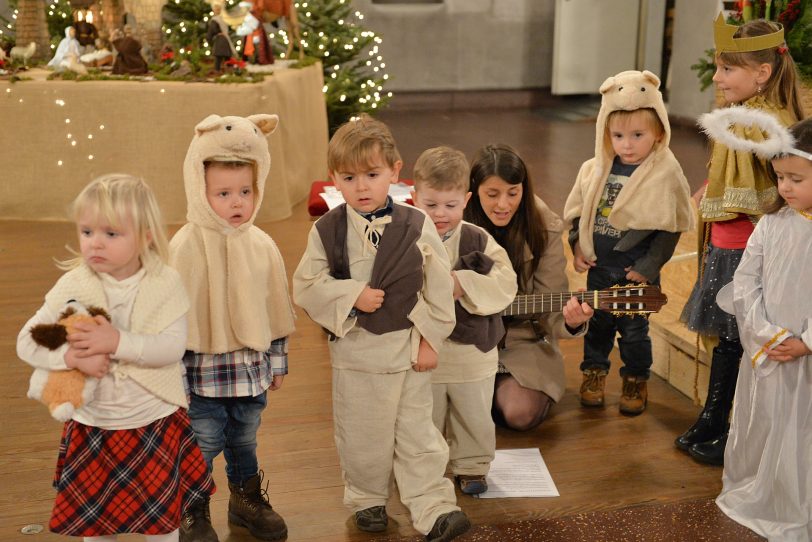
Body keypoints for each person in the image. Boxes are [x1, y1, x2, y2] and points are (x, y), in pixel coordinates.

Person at [293, 116, 471, 542]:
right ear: (334, 177)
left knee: (418, 432)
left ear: (395, 170)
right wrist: (351, 293)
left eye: (372, 175)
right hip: (358, 356)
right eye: (349, 177)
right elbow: (306, 285)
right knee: (362, 435)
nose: (361, 187)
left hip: (408, 349)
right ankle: (367, 498)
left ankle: (433, 504)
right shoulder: (328, 230)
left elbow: (438, 287)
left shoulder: (417, 223)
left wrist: (430, 339)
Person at [16, 174, 215, 541]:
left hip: (152, 422)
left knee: (161, 525)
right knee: (95, 525)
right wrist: (72, 359)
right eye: (87, 231)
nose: (95, 243)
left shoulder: (164, 283)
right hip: (93, 426)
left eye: (111, 233)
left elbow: (171, 348)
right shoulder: (74, 285)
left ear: (146, 236)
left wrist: (116, 341)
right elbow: (26, 343)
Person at [675, 14, 805, 465]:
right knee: (726, 338)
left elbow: (781, 196)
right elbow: (727, 175)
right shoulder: (745, 118)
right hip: (727, 245)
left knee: (739, 339)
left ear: (762, 73)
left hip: (749, 252)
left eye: (727, 69)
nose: (717, 77)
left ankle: (729, 428)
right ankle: (714, 419)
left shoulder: (766, 125)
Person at [169, 114, 295, 542]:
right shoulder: (184, 247)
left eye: (245, 191)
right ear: (199, 191)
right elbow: (171, 321)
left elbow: (275, 311)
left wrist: (276, 363)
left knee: (244, 441)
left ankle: (245, 501)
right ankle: (193, 507)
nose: (237, 202)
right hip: (201, 379)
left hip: (249, 374)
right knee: (201, 446)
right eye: (223, 194)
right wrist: (173, 376)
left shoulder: (261, 245)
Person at [563, 70, 694, 415]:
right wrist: (578, 244)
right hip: (600, 269)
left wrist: (648, 269)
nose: (627, 144)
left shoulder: (663, 174)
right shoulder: (596, 169)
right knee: (598, 326)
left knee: (634, 332)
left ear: (659, 132)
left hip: (635, 272)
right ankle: (594, 373)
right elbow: (580, 212)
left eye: (638, 135)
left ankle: (636, 377)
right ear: (605, 132)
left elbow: (671, 226)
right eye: (618, 135)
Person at [711, 116, 812, 540]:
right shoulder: (772, 224)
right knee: (770, 423)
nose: (784, 187)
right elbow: (746, 281)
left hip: (804, 353)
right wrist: (767, 333)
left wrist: (806, 342)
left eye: (796, 178)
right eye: (780, 177)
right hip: (770, 348)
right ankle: (767, 494)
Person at [411, 146, 517, 496]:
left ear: (466, 199)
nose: (441, 214)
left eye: (451, 205)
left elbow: (506, 283)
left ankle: (472, 465)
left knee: (472, 411)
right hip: (427, 350)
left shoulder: (478, 238)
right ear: (414, 197)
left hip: (472, 349)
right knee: (427, 413)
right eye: (431, 204)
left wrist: (464, 283)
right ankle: (429, 466)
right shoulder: (404, 236)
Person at [464, 144, 594, 431]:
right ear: (474, 191)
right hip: (463, 342)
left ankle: (494, 394)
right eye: (492, 194)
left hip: (521, 342)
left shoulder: (543, 226)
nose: (503, 204)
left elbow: (552, 305)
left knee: (518, 413)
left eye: (513, 193)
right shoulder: (457, 217)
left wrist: (572, 323)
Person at [207, 3, 237, 73]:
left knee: (218, 57)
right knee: (227, 56)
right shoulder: (223, 19)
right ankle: (230, 69)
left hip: (220, 41)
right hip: (226, 40)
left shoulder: (214, 20)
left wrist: (209, 40)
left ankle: (217, 70)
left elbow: (211, 32)